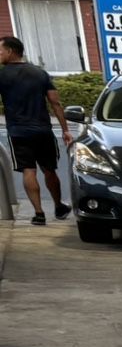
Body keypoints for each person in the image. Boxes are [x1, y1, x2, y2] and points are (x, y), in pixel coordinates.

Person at [0, 36, 70, 225]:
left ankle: (39, 213)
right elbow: (55, 102)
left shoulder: (2, 75)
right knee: (50, 170)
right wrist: (65, 130)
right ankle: (58, 206)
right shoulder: (40, 73)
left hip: (18, 132)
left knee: (28, 171)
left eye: (0, 51)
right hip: (43, 130)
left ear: (11, 51)